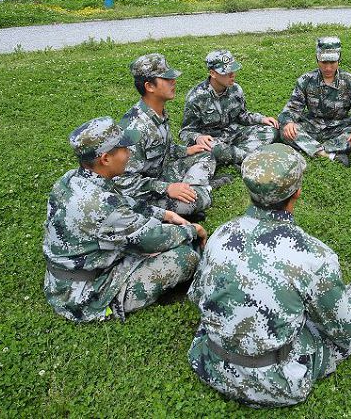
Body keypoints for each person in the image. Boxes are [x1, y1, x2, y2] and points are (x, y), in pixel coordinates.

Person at [188, 144, 351, 407]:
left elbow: (196, 296)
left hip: (208, 363)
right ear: (297, 193)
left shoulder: (221, 234)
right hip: (274, 383)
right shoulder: (315, 256)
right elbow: (346, 330)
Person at [44, 117, 207, 323]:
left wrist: (164, 214)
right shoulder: (102, 206)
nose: (129, 153)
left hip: (67, 278)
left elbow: (123, 202)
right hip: (85, 294)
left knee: (161, 233)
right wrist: (193, 230)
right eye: (123, 148)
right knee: (185, 257)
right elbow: (152, 238)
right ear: (105, 159)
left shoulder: (70, 179)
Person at [114, 54, 225, 222]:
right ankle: (198, 192)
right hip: (145, 193)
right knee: (199, 200)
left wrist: (186, 150)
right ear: (149, 86)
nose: (173, 81)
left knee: (206, 154)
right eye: (167, 79)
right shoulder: (135, 128)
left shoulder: (156, 112)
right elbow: (123, 182)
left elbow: (163, 147)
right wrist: (167, 188)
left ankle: (192, 190)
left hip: (162, 174)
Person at [279, 37, 351, 167]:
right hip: (312, 124)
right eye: (324, 63)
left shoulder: (350, 81)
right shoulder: (305, 80)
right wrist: (289, 122)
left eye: (333, 62)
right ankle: (329, 153)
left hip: (339, 126)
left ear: (339, 59)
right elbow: (292, 108)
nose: (328, 68)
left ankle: (312, 147)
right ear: (317, 59)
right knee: (285, 131)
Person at [180, 49, 279, 166]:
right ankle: (249, 155)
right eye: (226, 72)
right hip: (213, 141)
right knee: (214, 149)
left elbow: (242, 115)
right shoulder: (196, 97)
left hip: (233, 134)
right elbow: (185, 131)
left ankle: (237, 155)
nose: (232, 75)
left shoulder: (236, 89)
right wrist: (198, 137)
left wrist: (261, 119)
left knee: (271, 131)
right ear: (212, 73)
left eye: (233, 70)